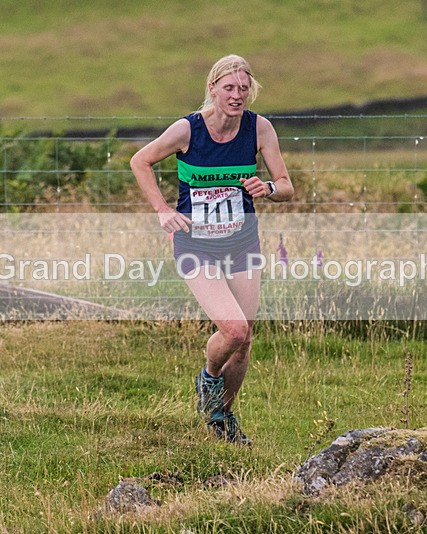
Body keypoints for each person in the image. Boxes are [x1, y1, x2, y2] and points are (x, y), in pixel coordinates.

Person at [130, 54, 293, 445]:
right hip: (195, 246)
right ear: (213, 88)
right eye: (229, 88)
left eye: (243, 88)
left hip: (242, 244)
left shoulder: (259, 129)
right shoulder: (188, 130)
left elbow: (286, 185)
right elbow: (141, 161)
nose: (236, 96)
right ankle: (208, 377)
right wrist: (163, 210)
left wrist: (267, 189)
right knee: (233, 329)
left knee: (246, 338)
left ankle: (222, 417)